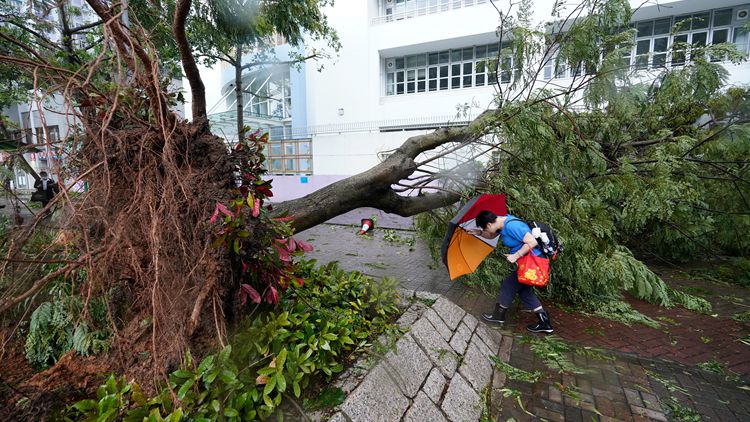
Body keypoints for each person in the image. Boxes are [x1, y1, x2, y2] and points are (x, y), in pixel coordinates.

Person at [473, 210, 553, 333]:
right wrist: (478, 232)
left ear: (489, 225)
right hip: (527, 263)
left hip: (532, 263)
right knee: (525, 291)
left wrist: (515, 255)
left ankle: (498, 317)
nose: (487, 231)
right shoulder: (501, 224)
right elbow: (492, 234)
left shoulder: (511, 225)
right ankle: (545, 323)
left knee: (508, 284)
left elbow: (532, 242)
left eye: (485, 228)